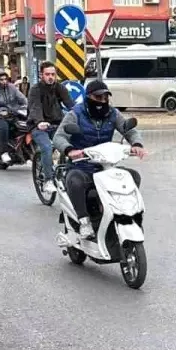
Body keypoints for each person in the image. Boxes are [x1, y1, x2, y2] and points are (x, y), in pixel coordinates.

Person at [53, 81, 146, 239]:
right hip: (82, 166)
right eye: (98, 97)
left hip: (105, 167)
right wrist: (70, 150)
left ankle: (125, 214)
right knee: (74, 180)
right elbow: (59, 136)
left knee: (132, 176)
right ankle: (84, 221)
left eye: (105, 97)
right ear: (88, 97)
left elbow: (128, 129)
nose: (102, 101)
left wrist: (137, 144)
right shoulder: (76, 113)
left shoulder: (112, 113)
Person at [28, 61, 75, 193]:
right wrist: (39, 122)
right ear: (41, 75)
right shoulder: (35, 90)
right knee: (47, 147)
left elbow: (71, 105)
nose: (50, 77)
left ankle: (70, 173)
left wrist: (82, 116)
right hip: (38, 126)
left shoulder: (59, 88)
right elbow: (35, 107)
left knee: (72, 143)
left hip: (56, 124)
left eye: (53, 74)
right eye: (47, 74)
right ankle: (48, 180)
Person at [0, 68, 28, 164]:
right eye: (1, 79)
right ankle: (3, 152)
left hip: (13, 114)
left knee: (26, 124)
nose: (4, 81)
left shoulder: (12, 88)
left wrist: (29, 106)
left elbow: (23, 98)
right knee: (4, 128)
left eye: (5, 79)